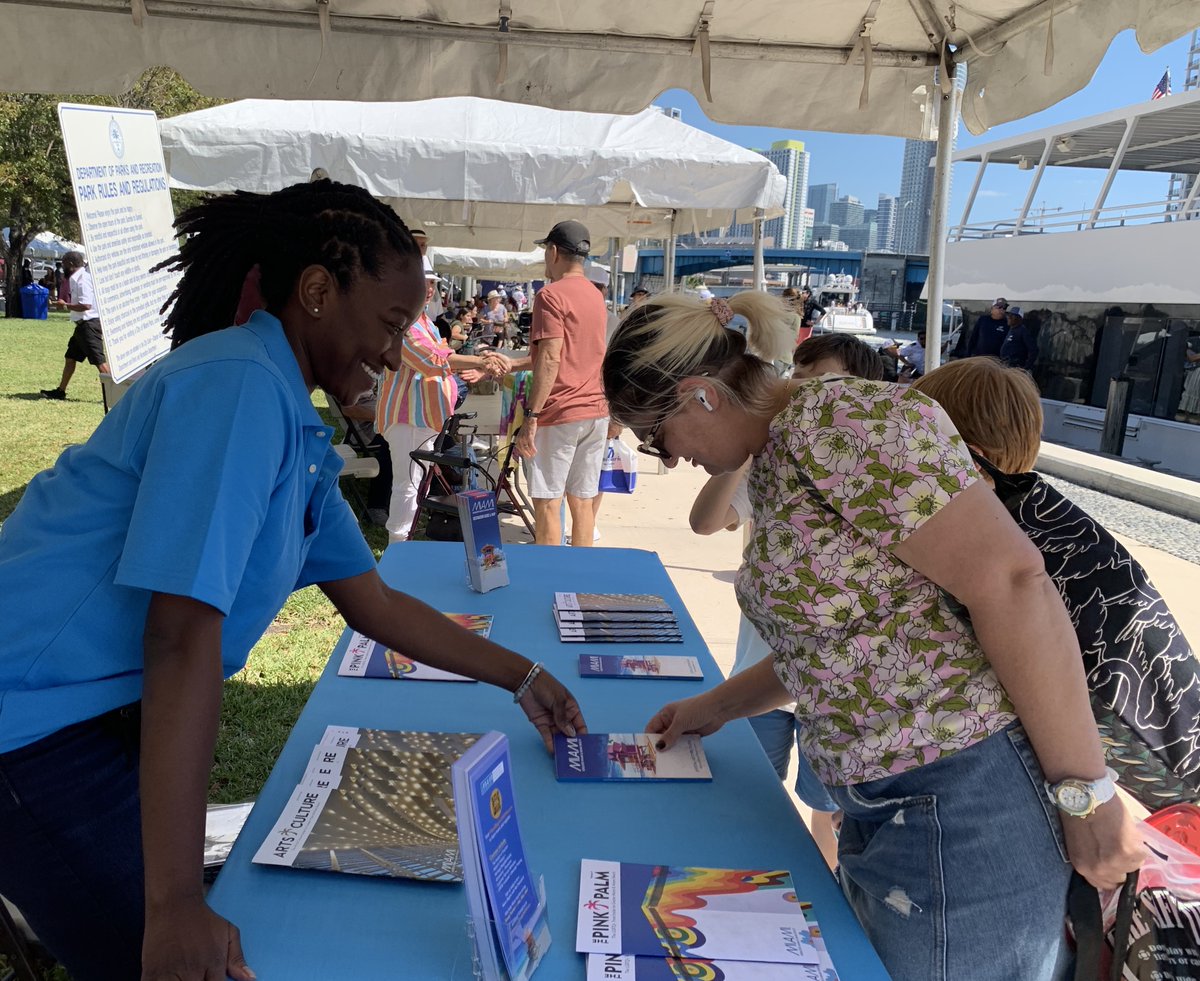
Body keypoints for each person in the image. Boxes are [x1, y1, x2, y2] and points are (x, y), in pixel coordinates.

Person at [0, 180, 586, 981]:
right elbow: (179, 637)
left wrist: (522, 675)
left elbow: (372, 601)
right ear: (316, 292)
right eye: (387, 324)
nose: (392, 354)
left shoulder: (288, 415)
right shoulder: (237, 387)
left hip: (87, 717)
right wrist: (172, 906)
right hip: (28, 730)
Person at [601, 290, 1144, 981]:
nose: (667, 459)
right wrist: (714, 707)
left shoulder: (838, 420)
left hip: (962, 802)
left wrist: (1085, 791)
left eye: (655, 435)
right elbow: (840, 645)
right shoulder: (776, 457)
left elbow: (1013, 582)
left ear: (699, 396)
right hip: (892, 805)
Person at [912, 358, 1200, 811]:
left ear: (969, 455)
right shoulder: (1054, 526)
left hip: (1010, 793)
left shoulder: (977, 547)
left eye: (912, 442)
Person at [689, 331, 883, 871]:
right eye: (796, 375)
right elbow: (706, 522)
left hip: (834, 692)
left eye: (819, 380)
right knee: (750, 796)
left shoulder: (869, 476)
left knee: (831, 814)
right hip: (759, 678)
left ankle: (821, 898)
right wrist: (744, 447)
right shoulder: (771, 464)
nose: (800, 390)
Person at [376, 266, 510, 541]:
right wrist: (481, 361)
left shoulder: (422, 319)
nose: (428, 289)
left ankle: (405, 546)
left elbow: (441, 356)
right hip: (408, 416)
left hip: (423, 417)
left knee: (416, 485)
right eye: (422, 282)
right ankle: (398, 548)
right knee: (408, 485)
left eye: (432, 284)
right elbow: (431, 360)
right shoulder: (404, 321)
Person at [515, 220, 609, 547]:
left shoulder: (550, 295)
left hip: (560, 411)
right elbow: (573, 353)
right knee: (582, 502)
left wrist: (531, 416)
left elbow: (552, 357)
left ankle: (548, 583)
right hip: (596, 410)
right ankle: (580, 582)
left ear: (553, 251)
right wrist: (513, 364)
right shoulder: (597, 297)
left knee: (547, 502)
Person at [41, 251, 109, 400]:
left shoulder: (82, 280)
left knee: (100, 363)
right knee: (70, 358)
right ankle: (60, 391)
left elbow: (86, 305)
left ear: (71, 264)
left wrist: (65, 305)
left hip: (89, 326)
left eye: (64, 264)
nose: (62, 267)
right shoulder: (76, 278)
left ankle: (119, 395)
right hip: (81, 326)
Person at [1000, 305, 1038, 370]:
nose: (1009, 317)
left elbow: (1033, 350)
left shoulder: (1023, 331)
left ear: (1019, 318)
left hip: (1015, 369)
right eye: (1009, 315)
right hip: (1006, 366)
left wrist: (1025, 368)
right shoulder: (1012, 329)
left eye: (1013, 315)